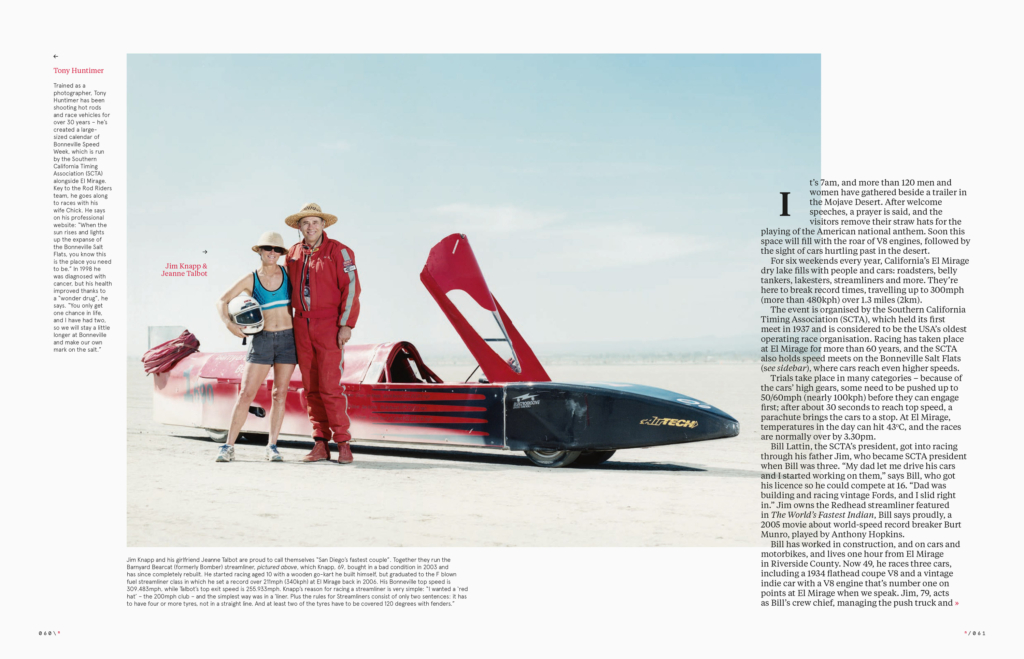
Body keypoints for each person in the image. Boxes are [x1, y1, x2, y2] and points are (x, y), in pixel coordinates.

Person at [283, 202, 361, 464]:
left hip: (329, 324)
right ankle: (320, 444)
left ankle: (343, 443)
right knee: (311, 388)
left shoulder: (339, 251)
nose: (311, 227)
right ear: (299, 226)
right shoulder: (292, 253)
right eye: (305, 222)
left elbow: (351, 288)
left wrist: (346, 324)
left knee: (330, 386)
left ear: (323, 224)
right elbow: (287, 289)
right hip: (300, 325)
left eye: (315, 222)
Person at [213, 231, 298, 463]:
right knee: (246, 394)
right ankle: (228, 446)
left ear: (281, 253)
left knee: (279, 394)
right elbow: (222, 300)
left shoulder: (288, 273)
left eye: (277, 249)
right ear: (259, 251)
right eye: (268, 248)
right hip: (262, 340)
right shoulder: (250, 279)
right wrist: (229, 324)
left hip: (288, 340)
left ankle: (272, 446)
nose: (272, 252)